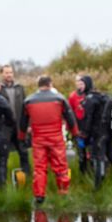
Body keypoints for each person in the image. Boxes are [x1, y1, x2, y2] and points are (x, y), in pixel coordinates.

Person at [21, 76, 79, 204]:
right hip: (56, 139)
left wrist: (21, 137)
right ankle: (63, 193)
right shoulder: (59, 98)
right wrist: (75, 133)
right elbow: (70, 117)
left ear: (39, 85)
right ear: (50, 84)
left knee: (39, 168)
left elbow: (23, 122)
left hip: (38, 139)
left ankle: (39, 196)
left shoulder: (29, 100)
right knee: (60, 167)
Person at [79, 75, 112, 189]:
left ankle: (97, 188)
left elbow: (88, 119)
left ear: (88, 85)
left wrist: (84, 134)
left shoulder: (90, 99)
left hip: (98, 135)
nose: (80, 86)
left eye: (82, 84)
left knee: (98, 158)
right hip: (108, 133)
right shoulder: (101, 97)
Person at [0, 64, 32, 176]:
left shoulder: (20, 87)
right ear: (2, 74)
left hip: (19, 125)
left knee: (23, 151)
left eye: (11, 72)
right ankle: (2, 177)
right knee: (3, 153)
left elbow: (27, 107)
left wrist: (28, 124)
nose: (9, 75)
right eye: (7, 72)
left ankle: (27, 175)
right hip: (5, 126)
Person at [68, 75, 89, 174]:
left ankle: (92, 169)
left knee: (91, 150)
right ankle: (83, 172)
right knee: (81, 150)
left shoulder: (89, 95)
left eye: (82, 83)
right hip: (78, 127)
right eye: (78, 82)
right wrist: (70, 129)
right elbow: (69, 112)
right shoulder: (72, 96)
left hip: (89, 126)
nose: (80, 85)